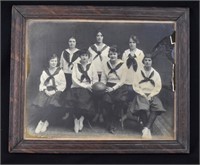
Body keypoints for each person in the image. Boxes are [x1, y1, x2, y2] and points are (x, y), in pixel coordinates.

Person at [130, 53, 166, 139]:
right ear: (143, 61)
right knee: (142, 106)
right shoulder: (138, 72)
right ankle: (147, 129)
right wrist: (142, 94)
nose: (147, 62)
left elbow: (158, 86)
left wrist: (151, 95)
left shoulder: (156, 74)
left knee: (157, 107)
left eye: (149, 60)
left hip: (152, 94)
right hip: (141, 93)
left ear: (152, 62)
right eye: (145, 60)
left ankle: (146, 128)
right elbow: (135, 85)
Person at [64, 49, 99, 133]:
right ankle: (76, 120)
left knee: (84, 100)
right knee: (73, 100)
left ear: (88, 57)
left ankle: (82, 118)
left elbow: (95, 78)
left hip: (89, 87)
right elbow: (74, 78)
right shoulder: (76, 65)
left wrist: (90, 86)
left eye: (86, 55)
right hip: (77, 86)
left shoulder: (92, 65)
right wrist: (83, 86)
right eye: (82, 55)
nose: (84, 57)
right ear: (80, 57)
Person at [32, 54, 66, 134]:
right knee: (41, 102)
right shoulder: (45, 72)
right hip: (47, 90)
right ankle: (46, 121)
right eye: (52, 61)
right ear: (49, 62)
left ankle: (41, 122)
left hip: (57, 91)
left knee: (52, 103)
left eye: (55, 61)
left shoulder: (60, 71)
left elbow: (63, 84)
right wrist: (45, 90)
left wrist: (55, 91)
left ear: (57, 62)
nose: (53, 63)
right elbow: (42, 84)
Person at [101, 45, 128, 134]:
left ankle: (113, 122)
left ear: (118, 54)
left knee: (119, 101)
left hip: (119, 87)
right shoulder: (106, 64)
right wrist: (104, 87)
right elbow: (103, 78)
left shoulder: (123, 65)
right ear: (109, 55)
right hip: (108, 86)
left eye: (114, 54)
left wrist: (113, 88)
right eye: (111, 54)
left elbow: (123, 80)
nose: (113, 56)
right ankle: (109, 121)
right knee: (106, 101)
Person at [121, 35, 145, 123]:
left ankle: (137, 116)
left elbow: (142, 67)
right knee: (125, 99)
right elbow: (123, 67)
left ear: (136, 43)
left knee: (137, 99)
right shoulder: (125, 53)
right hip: (127, 79)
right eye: (130, 42)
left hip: (136, 79)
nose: (131, 44)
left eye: (133, 42)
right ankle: (125, 115)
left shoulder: (140, 53)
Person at [88, 31, 110, 123]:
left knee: (103, 93)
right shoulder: (91, 48)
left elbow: (109, 61)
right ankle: (96, 112)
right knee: (95, 93)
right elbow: (89, 62)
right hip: (94, 73)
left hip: (104, 73)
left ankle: (101, 113)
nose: (99, 37)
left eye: (101, 35)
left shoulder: (107, 48)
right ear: (95, 37)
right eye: (97, 35)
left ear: (103, 37)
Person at [60, 37, 80, 119]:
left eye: (73, 41)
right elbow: (61, 65)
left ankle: (75, 113)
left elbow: (80, 65)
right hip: (66, 75)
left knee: (74, 93)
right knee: (66, 93)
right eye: (70, 41)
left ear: (76, 43)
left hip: (75, 76)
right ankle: (66, 112)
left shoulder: (79, 52)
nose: (72, 43)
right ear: (68, 43)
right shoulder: (64, 52)